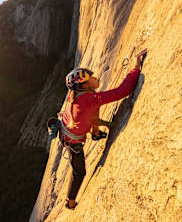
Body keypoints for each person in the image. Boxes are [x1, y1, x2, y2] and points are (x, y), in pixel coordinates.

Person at [59, 49, 147, 209]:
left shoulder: (77, 96)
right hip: (72, 143)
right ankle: (70, 202)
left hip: (66, 130)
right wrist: (136, 68)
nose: (92, 79)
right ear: (82, 85)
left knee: (92, 113)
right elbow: (123, 91)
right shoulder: (90, 99)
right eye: (88, 79)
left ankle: (96, 133)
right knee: (79, 172)